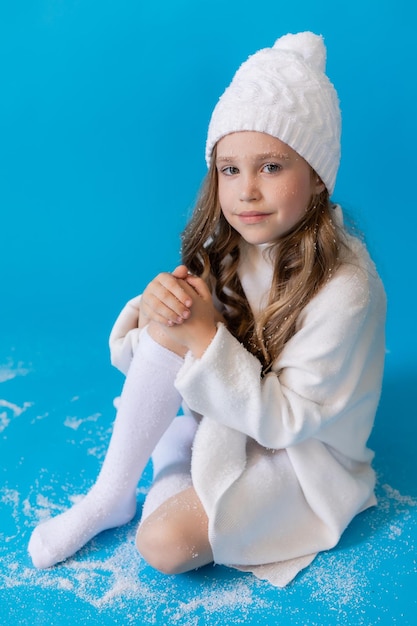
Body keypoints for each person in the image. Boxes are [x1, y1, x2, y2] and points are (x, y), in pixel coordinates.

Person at [28, 32, 386, 587]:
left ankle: (175, 457)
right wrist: (157, 311)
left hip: (304, 458)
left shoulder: (345, 287)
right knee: (176, 312)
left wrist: (205, 341)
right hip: (239, 415)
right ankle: (111, 493)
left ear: (316, 175)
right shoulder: (237, 247)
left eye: (270, 167)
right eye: (229, 169)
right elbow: (154, 361)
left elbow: (288, 423)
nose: (246, 192)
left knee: (163, 544)